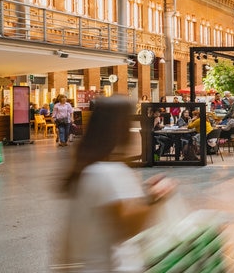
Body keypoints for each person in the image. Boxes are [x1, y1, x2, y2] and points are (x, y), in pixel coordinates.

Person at [61, 96, 175, 271]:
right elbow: (127, 228)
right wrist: (154, 197)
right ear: (120, 128)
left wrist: (144, 193)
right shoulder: (108, 172)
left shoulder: (86, 170)